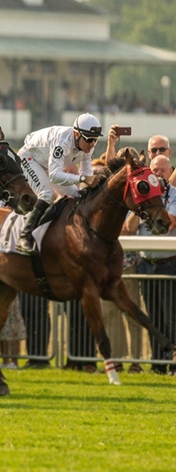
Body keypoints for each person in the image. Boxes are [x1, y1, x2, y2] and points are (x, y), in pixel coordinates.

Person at [15, 114, 112, 255]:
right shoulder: (63, 141)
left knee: (77, 195)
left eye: (95, 140)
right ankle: (25, 236)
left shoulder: (87, 147)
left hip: (49, 163)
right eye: (89, 139)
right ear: (77, 134)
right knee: (47, 194)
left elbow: (87, 177)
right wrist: (84, 179)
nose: (92, 144)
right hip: (30, 157)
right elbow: (55, 176)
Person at [124, 154, 176, 374]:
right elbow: (128, 228)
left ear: (170, 171)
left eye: (162, 170)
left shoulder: (175, 195)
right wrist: (142, 207)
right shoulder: (142, 196)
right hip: (146, 263)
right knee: (153, 317)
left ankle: (172, 362)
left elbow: (169, 224)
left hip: (169, 263)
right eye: (154, 170)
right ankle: (157, 363)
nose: (157, 175)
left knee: (170, 317)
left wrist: (151, 211)